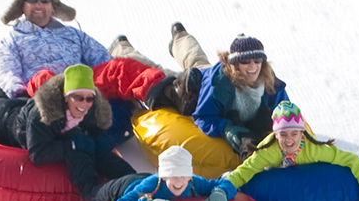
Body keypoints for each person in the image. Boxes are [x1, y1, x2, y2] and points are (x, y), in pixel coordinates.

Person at [0, 64, 140, 201]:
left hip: (16, 107)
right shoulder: (43, 115)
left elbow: (99, 136)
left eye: (88, 98)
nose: (83, 104)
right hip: (4, 123)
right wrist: (72, 147)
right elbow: (37, 152)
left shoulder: (91, 110)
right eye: (77, 97)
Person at [109, 23, 290, 160]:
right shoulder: (219, 84)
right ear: (234, 65)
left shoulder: (269, 82)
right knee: (157, 72)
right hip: (192, 90)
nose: (253, 67)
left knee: (197, 59)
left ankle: (180, 36)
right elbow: (202, 116)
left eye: (257, 60)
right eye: (245, 62)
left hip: (205, 72)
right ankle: (121, 48)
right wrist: (226, 129)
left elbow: (286, 111)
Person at [225, 101, 359, 201]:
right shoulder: (268, 152)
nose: (289, 140)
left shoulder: (313, 149)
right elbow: (245, 170)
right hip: (273, 174)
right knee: (246, 144)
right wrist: (225, 187)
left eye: (294, 134)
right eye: (283, 134)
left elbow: (351, 159)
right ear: (276, 135)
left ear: (302, 134)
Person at [0, 0, 112, 99]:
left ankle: (133, 102)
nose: (39, 5)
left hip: (82, 96)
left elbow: (103, 60)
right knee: (45, 78)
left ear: (53, 6)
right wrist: (20, 97)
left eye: (45, 0)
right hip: (41, 101)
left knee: (120, 69)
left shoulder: (74, 35)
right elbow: (6, 74)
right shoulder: (11, 40)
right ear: (22, 5)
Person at [111, 146, 237, 201]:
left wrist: (220, 192)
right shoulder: (151, 185)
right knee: (94, 192)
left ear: (189, 176)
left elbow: (225, 183)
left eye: (183, 175)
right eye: (173, 175)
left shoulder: (194, 182)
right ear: (165, 177)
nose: (179, 181)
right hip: (125, 186)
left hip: (143, 177)